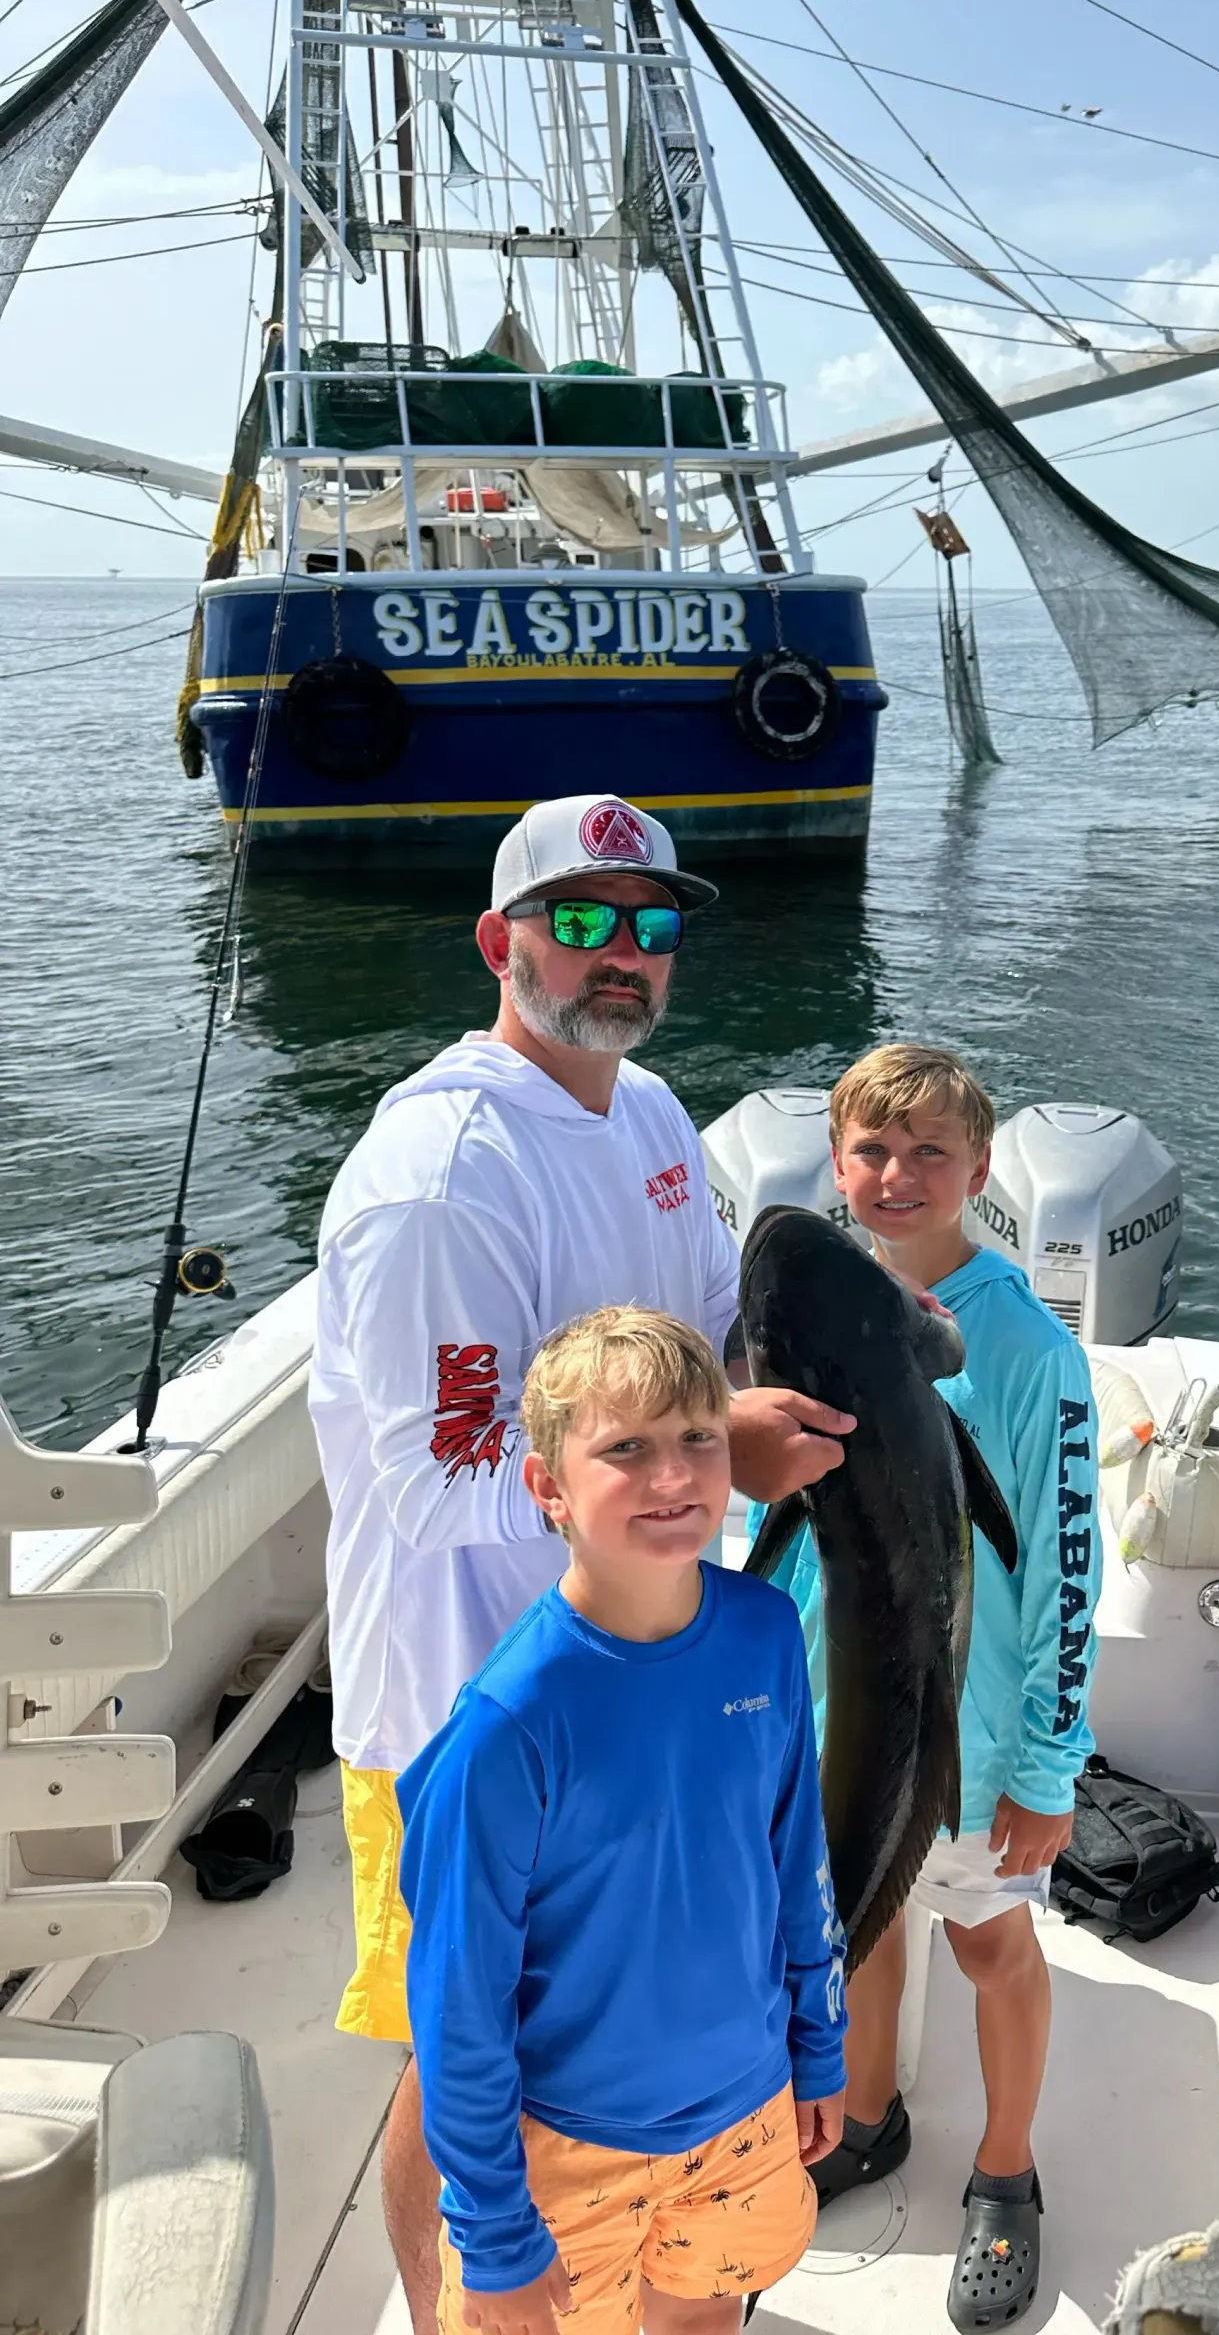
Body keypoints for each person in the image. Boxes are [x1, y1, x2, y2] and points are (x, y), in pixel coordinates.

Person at [309, 794, 855, 2332]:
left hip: (652, 1666)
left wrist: (818, 1383)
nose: (623, 952)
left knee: (631, 1998)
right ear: (501, 941)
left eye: (651, 923)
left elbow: (709, 1340)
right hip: (462, 1699)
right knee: (458, 2047)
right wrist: (715, 1454)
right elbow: (432, 1481)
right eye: (583, 920)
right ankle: (454, 2308)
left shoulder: (657, 1115)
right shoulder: (442, 1178)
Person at [398, 1308, 846, 2335]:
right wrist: (496, 2235)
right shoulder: (506, 1724)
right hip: (566, 2148)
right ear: (547, 1487)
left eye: (699, 1437)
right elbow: (460, 2006)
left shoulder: (766, 1631)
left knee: (706, 2318)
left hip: (746, 2106)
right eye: (626, 1450)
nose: (673, 1474)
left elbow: (798, 1863)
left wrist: (818, 2045)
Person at [759, 1043, 1101, 2332]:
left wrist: (1050, 1771)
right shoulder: (810, 1325)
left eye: (930, 1154)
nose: (898, 1176)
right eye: (873, 1151)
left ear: (983, 1169)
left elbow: (1069, 1564)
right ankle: (867, 2118)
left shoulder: (1027, 1348)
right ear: (835, 1161)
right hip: (822, 1711)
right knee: (860, 1916)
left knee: (989, 1942)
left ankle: (1006, 2171)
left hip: (971, 1734)